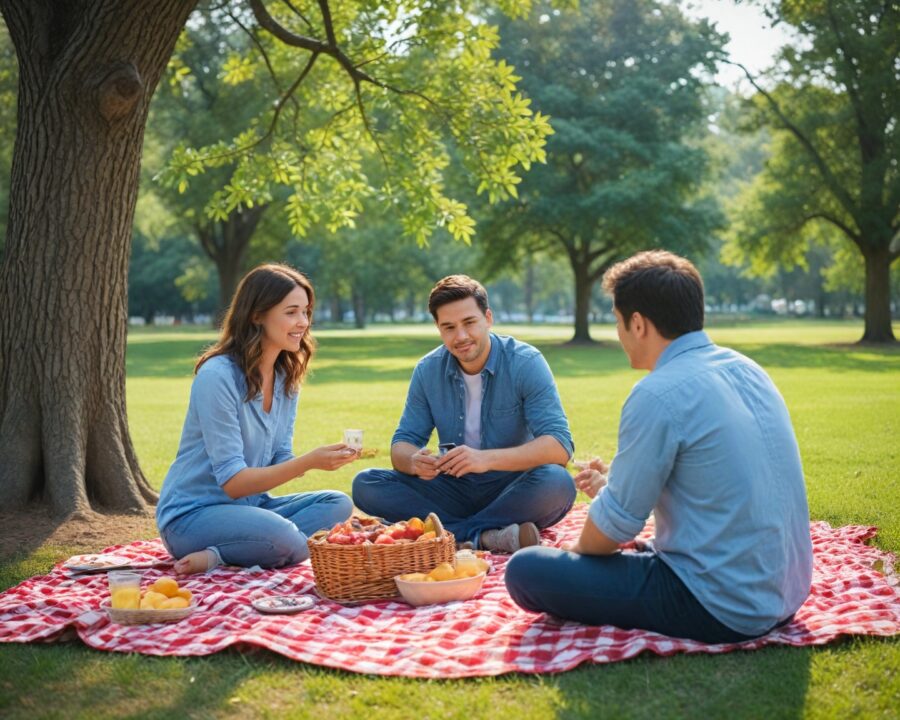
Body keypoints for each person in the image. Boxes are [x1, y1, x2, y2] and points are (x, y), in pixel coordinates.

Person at [505, 250, 813, 643]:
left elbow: (609, 533)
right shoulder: (747, 369)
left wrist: (576, 557)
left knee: (527, 569)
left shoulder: (657, 392)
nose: (618, 334)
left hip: (721, 604)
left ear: (637, 324)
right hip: (785, 590)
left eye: (616, 322)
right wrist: (612, 490)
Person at [352, 275, 576, 553]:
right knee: (366, 483)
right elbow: (403, 442)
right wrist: (413, 461)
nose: (461, 337)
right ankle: (483, 536)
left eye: (469, 323)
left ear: (488, 318)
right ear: (438, 328)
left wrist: (484, 459)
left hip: (511, 487)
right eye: (449, 327)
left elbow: (559, 446)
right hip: (451, 488)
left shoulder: (526, 362)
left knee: (557, 482)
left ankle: (448, 533)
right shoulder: (427, 370)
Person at [156, 264, 356, 574]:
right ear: (257, 315)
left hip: (251, 508)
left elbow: (280, 457)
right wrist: (308, 462)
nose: (303, 322)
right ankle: (227, 555)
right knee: (286, 536)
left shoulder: (286, 378)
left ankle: (238, 551)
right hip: (192, 517)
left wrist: (324, 456)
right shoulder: (217, 377)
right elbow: (234, 483)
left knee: (338, 504)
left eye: (306, 312)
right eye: (291, 312)